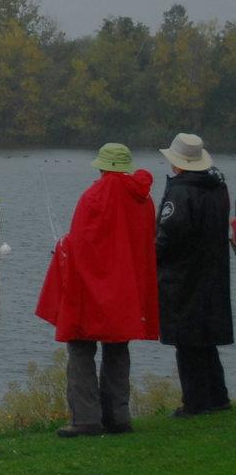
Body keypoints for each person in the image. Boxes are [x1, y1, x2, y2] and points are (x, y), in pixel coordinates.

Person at [36, 143, 159, 437]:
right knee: (118, 348)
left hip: (93, 285)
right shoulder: (144, 199)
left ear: (103, 166)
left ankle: (86, 419)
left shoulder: (95, 195)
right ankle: (118, 415)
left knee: (80, 348)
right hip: (126, 287)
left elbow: (82, 244)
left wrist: (63, 246)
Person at [156, 133, 233, 416]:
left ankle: (195, 402)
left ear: (179, 163)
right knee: (206, 337)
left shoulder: (181, 192)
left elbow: (169, 236)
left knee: (186, 339)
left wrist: (151, 257)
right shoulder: (218, 187)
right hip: (213, 272)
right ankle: (217, 395)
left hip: (183, 275)